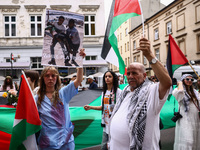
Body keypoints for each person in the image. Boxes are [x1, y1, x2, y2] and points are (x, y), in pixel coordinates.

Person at [109, 37, 172, 150]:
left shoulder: (151, 91)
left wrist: (149, 55)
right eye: (128, 73)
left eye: (135, 73)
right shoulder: (125, 91)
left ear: (144, 76)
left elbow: (167, 83)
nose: (130, 76)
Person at [35, 50, 85, 150]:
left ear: (57, 78)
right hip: (47, 143)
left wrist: (79, 62)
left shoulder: (63, 93)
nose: (50, 78)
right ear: (43, 79)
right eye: (47, 76)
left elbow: (78, 80)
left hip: (65, 142)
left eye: (53, 76)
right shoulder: (37, 98)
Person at [84, 71, 121, 150]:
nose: (107, 78)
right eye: (106, 76)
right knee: (103, 147)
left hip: (115, 125)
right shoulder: (104, 92)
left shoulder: (119, 92)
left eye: (109, 76)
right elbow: (103, 107)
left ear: (114, 78)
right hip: (106, 124)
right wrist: (91, 107)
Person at [172, 74, 200, 150]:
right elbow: (180, 92)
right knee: (188, 141)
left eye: (191, 80)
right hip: (185, 119)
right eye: (187, 79)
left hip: (195, 118)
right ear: (183, 80)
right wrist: (180, 83)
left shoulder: (195, 92)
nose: (189, 81)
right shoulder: (177, 90)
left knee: (194, 139)